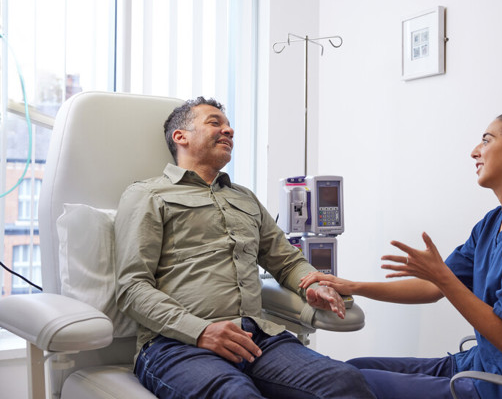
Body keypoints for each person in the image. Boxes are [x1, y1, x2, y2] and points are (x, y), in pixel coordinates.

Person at [301, 111, 502, 399]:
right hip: (477, 366)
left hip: (501, 389)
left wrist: (443, 278)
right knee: (352, 370)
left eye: (486, 140)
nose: (474, 152)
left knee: (350, 384)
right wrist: (351, 286)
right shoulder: (492, 223)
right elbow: (433, 286)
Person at [114, 97, 375, 399]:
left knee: (345, 381)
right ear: (180, 136)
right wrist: (200, 331)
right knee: (237, 395)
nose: (229, 130)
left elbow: (287, 262)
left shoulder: (245, 199)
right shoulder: (147, 194)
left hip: (258, 338)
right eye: (215, 123)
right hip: (177, 344)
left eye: (229, 126)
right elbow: (131, 287)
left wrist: (314, 285)